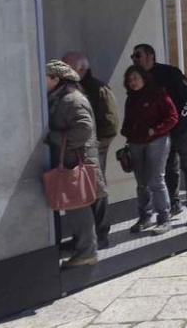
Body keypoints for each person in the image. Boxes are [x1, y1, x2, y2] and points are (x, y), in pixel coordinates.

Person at [131, 44, 187, 225]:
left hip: (181, 129)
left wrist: (183, 118)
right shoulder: (139, 80)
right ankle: (174, 204)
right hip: (160, 134)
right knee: (167, 170)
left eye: (138, 55)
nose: (134, 59)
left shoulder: (170, 73)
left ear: (150, 56)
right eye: (133, 56)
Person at [45, 60, 102, 267]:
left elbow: (83, 129)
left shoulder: (71, 99)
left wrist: (55, 138)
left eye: (44, 77)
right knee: (75, 206)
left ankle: (87, 252)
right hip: (69, 160)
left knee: (78, 206)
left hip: (74, 161)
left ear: (55, 78)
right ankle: (83, 247)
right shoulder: (62, 97)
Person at [62, 52, 118, 249]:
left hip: (94, 149)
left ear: (81, 69)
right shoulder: (71, 88)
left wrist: (98, 146)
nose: (64, 70)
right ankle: (86, 236)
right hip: (80, 150)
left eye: (67, 66)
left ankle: (101, 234)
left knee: (97, 190)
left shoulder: (97, 88)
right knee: (83, 192)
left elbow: (110, 123)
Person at [121, 65, 179, 235]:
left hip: (157, 140)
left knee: (156, 179)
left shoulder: (158, 93)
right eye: (129, 80)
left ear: (144, 78)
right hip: (136, 142)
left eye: (135, 78)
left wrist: (156, 129)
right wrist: (127, 133)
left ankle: (164, 218)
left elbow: (173, 117)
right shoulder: (130, 98)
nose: (132, 82)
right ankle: (145, 217)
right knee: (141, 182)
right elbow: (128, 121)